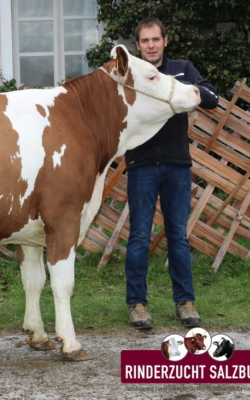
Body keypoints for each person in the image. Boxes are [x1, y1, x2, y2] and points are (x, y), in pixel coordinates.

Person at [125, 17, 219, 330]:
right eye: (145, 41)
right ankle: (137, 304)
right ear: (137, 45)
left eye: (156, 39)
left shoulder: (183, 69)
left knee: (178, 236)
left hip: (177, 166)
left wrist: (182, 90)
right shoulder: (131, 74)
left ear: (165, 41)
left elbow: (212, 99)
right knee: (139, 236)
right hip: (141, 166)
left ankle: (185, 302)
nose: (151, 45)